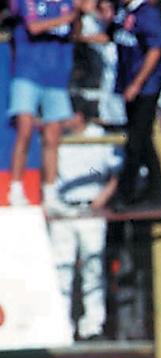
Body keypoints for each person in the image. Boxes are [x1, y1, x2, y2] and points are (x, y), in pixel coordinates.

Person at [49, 97, 121, 341]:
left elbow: (115, 173)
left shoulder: (100, 136)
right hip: (63, 209)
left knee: (93, 266)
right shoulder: (56, 137)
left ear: (80, 115)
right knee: (62, 268)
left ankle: (93, 325)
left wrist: (100, 200)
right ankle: (61, 326)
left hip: (92, 208)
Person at [7, 0, 79, 214]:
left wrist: (80, 16)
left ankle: (50, 193)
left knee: (53, 137)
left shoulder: (67, 4)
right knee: (25, 131)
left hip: (56, 76)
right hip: (28, 73)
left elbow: (74, 33)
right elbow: (34, 27)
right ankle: (16, 188)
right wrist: (68, 18)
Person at [101, 0, 161, 209]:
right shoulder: (124, 13)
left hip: (146, 88)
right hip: (129, 85)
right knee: (144, 141)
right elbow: (114, 37)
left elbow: (155, 50)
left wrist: (137, 84)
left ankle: (125, 195)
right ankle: (159, 194)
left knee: (135, 142)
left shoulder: (147, 13)